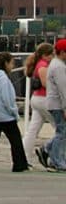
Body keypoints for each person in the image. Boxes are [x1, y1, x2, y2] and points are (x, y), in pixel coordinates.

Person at [23, 41, 54, 166]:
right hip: (45, 100)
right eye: (51, 55)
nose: (52, 57)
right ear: (45, 55)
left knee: (32, 130)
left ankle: (25, 157)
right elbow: (47, 84)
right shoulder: (43, 66)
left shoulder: (37, 64)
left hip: (36, 99)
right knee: (60, 130)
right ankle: (50, 153)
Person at [41, 37, 66, 171]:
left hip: (54, 103)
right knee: (62, 132)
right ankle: (57, 161)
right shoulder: (59, 67)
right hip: (58, 104)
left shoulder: (55, 64)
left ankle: (47, 149)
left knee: (62, 131)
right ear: (62, 52)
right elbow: (63, 89)